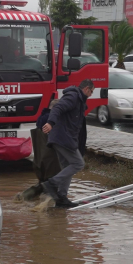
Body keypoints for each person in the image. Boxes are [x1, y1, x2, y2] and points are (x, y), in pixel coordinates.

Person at [41, 79, 94, 208]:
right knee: (78, 163)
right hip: (63, 138)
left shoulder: (79, 101)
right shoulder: (73, 96)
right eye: (91, 92)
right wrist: (50, 123)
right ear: (86, 89)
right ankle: (51, 183)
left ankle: (61, 198)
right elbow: (57, 108)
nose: (91, 95)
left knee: (67, 168)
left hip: (64, 138)